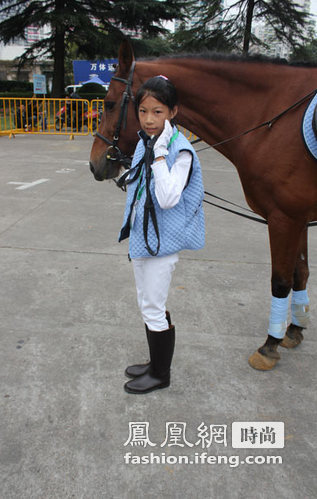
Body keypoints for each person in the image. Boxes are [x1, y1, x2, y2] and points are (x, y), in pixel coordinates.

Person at [119, 76, 205, 394]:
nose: (150, 119)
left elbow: (168, 197)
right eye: (143, 111)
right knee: (147, 302)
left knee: (154, 305)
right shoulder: (146, 141)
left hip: (163, 242)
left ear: (173, 112)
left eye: (158, 111)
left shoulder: (178, 150)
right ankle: (156, 364)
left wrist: (159, 154)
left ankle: (161, 375)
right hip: (145, 236)